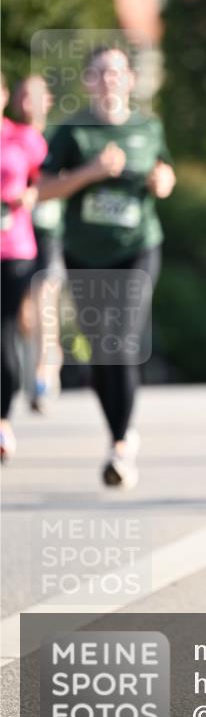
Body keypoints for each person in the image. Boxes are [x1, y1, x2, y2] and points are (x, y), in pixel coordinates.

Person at [37, 46, 175, 487]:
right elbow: (41, 189)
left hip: (137, 248)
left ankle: (119, 447)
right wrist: (91, 173)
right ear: (88, 81)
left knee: (122, 340)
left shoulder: (147, 126)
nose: (108, 79)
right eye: (99, 72)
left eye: (116, 71)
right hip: (84, 254)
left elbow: (165, 172)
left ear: (130, 80)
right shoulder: (72, 130)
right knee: (100, 351)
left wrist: (162, 180)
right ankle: (119, 434)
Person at [1, 72, 48, 461]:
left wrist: (30, 195)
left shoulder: (24, 138)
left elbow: (48, 182)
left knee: (4, 334)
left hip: (13, 248)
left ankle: (2, 420)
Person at [11, 75, 65, 411]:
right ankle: (40, 362)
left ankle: (44, 373)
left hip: (49, 232)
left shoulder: (58, 139)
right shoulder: (11, 139)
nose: (30, 102)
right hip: (18, 233)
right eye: (24, 96)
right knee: (24, 312)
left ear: (49, 101)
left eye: (37, 96)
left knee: (45, 298)